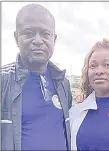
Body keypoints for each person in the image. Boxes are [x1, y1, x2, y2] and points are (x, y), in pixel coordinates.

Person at [1, 4, 72, 150]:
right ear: (16, 38)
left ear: (54, 39)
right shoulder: (3, 81)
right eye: (29, 33)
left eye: (45, 34)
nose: (38, 40)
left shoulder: (62, 83)